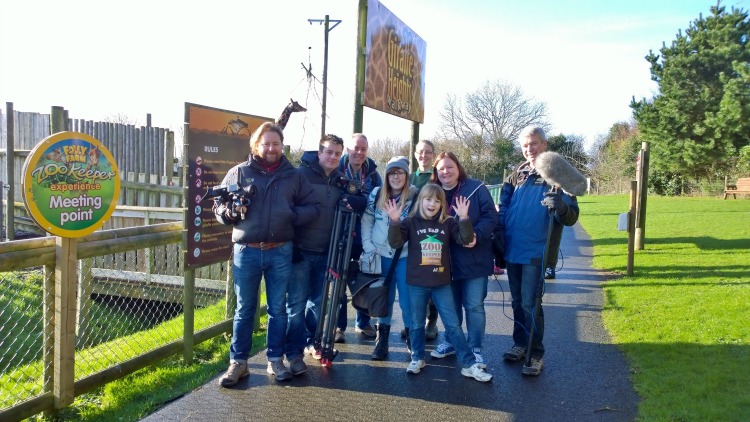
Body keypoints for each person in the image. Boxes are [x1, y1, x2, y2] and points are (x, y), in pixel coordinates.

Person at [214, 122, 320, 387]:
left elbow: (314, 206)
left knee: (277, 310)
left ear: (281, 145)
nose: (271, 148)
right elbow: (218, 205)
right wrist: (227, 214)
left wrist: (292, 216)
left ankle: (275, 360)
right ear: (256, 146)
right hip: (246, 251)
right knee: (244, 310)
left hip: (280, 252)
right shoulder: (238, 173)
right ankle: (238, 363)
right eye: (266, 143)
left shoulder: (293, 176)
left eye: (276, 143)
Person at [386, 183, 492, 382]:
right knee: (416, 324)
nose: (432, 204)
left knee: (453, 325)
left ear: (442, 204)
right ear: (420, 201)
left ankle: (469, 364)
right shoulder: (410, 222)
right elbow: (395, 243)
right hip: (416, 283)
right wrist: (393, 221)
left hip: (442, 283)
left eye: (437, 201)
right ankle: (417, 357)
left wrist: (464, 218)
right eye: (428, 199)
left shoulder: (448, 222)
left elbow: (465, 239)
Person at [497, 125, 579, 376]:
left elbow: (572, 216)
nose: (529, 149)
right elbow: (503, 208)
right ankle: (521, 344)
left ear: (544, 144)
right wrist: (497, 240)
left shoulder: (559, 172)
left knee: (531, 303)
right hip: (512, 249)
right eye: (524, 145)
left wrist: (562, 207)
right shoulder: (516, 174)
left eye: (533, 144)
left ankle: (535, 354)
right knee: (517, 302)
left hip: (536, 251)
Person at [292, 134, 366, 360]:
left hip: (326, 252)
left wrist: (357, 202)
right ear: (319, 151)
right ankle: (293, 350)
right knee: (295, 304)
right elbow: (287, 209)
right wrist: (291, 244)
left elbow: (360, 198)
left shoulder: (340, 180)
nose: (333, 157)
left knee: (317, 302)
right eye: (329, 152)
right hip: (301, 251)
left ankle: (313, 342)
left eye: (337, 153)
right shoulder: (300, 175)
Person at [429, 152, 496, 369]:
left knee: (474, 306)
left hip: (474, 258)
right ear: (436, 172)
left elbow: (491, 217)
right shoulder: (433, 193)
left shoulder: (476, 188)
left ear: (458, 168)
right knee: (450, 306)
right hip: (445, 260)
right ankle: (451, 342)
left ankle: (475, 348)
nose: (446, 172)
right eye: (441, 169)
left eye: (450, 167)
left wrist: (476, 234)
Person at [361, 156, 418, 360]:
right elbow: (367, 221)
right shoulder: (377, 194)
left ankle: (412, 341)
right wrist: (368, 246)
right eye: (392, 172)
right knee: (382, 300)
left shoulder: (414, 197)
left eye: (400, 172)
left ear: (406, 175)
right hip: (380, 256)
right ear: (386, 175)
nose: (396, 176)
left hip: (404, 257)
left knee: (407, 301)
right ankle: (382, 342)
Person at [335, 133, 383, 342]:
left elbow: (379, 200)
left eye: (363, 149)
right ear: (348, 149)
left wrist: (361, 202)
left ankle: (363, 323)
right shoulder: (336, 169)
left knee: (365, 278)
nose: (359, 153)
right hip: (340, 232)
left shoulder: (372, 174)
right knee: (339, 280)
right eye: (356, 148)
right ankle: (338, 327)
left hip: (364, 235)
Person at [407, 140, 440, 341]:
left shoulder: (438, 177)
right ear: (415, 154)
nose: (424, 156)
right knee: (413, 282)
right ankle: (413, 323)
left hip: (433, 235)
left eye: (428, 152)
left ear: (433, 155)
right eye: (421, 152)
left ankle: (431, 323)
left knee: (432, 281)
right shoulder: (410, 177)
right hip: (412, 234)